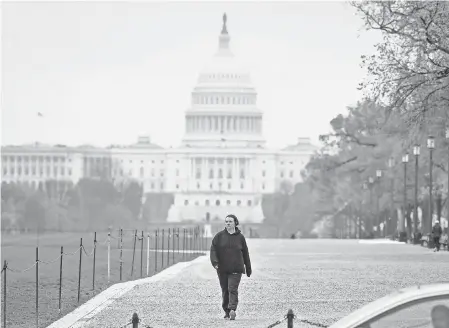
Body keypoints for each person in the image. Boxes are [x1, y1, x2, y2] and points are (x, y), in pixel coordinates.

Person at [210, 214, 252, 321]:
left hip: (236, 268)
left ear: (235, 223)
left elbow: (245, 253)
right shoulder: (219, 236)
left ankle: (232, 309)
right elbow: (213, 250)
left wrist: (248, 267)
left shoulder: (240, 238)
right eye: (226, 221)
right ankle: (226, 311)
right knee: (225, 290)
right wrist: (215, 262)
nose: (228, 223)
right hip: (222, 268)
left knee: (232, 288)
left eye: (230, 221)